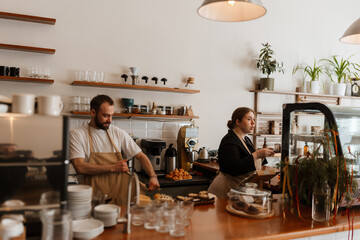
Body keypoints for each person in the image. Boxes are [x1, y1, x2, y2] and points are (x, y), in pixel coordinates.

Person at [69, 95, 160, 205]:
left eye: (112, 116)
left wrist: (153, 176)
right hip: (93, 198)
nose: (110, 120)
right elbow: (80, 167)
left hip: (118, 195)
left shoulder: (117, 132)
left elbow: (140, 156)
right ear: (93, 112)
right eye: (106, 116)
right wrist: (112, 167)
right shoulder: (77, 134)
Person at [208, 107, 274, 198]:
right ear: (238, 122)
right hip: (223, 190)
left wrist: (263, 155)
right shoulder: (229, 140)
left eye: (254, 119)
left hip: (236, 190)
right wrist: (257, 154)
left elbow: (250, 162)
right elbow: (234, 168)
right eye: (249, 119)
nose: (253, 122)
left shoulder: (246, 139)